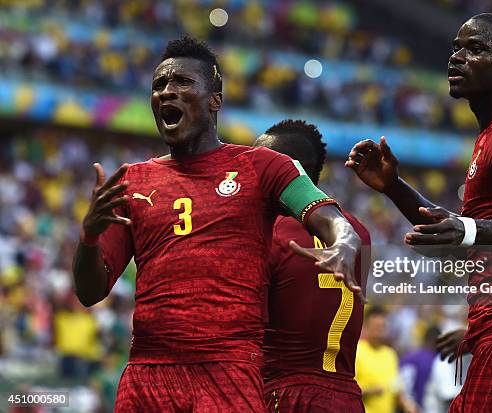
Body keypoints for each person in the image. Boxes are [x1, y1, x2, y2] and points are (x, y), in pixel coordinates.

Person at [72, 37, 364, 412]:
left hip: (228, 371)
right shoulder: (131, 181)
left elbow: (328, 217)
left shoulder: (263, 167)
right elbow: (89, 292)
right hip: (147, 374)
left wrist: (342, 241)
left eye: (182, 82)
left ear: (215, 100)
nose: (166, 92)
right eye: (158, 85)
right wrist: (90, 236)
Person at [346, 13, 492, 412]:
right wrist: (393, 187)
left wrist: (466, 229)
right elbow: (457, 234)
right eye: (456, 48)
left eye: (475, 48)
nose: (457, 57)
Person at [253, 119, 371, 413]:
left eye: (257, 166)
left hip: (283, 395)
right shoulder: (359, 231)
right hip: (345, 397)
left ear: (285, 173)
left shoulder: (273, 231)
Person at [354, 307, 416, 413]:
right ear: (365, 327)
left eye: (381, 327)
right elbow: (347, 390)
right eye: (375, 327)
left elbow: (396, 388)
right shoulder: (356, 352)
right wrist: (369, 391)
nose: (378, 331)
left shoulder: (390, 354)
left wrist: (407, 405)